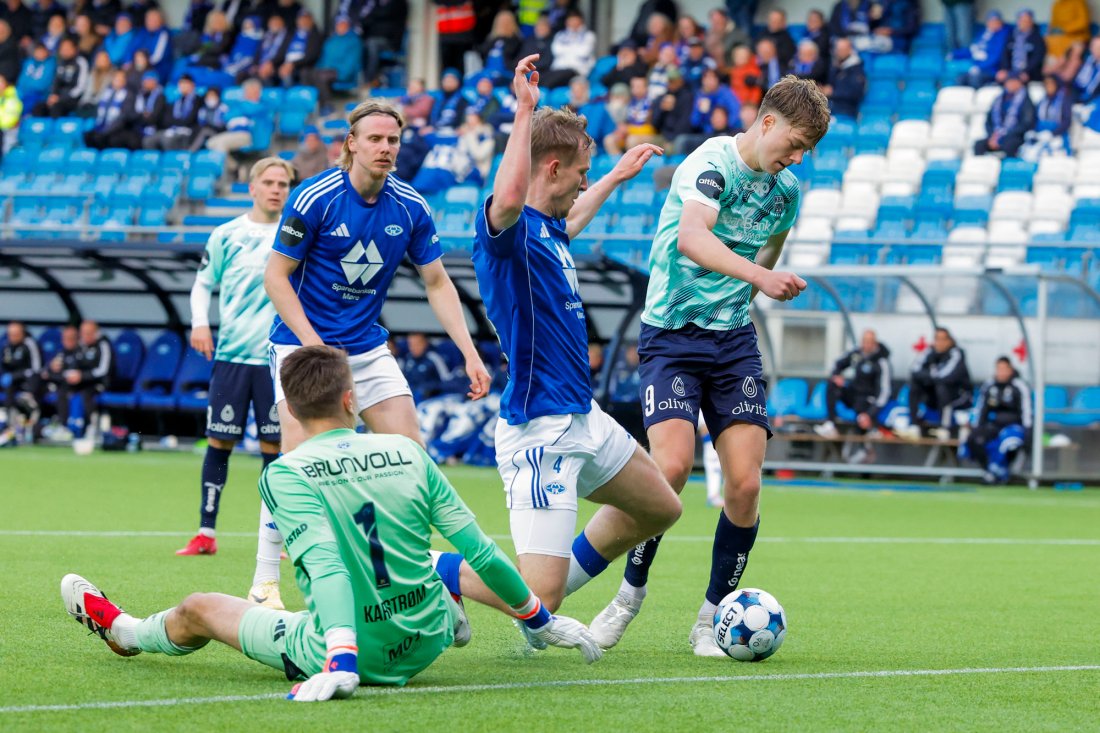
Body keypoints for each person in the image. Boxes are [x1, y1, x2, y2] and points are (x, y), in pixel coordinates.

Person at [61, 345, 600, 705]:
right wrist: (539, 619)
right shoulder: (406, 451)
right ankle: (449, 612)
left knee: (199, 606)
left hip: (354, 652)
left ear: (291, 412)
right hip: (425, 637)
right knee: (431, 556)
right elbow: (480, 551)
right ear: (350, 399)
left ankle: (123, 632)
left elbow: (325, 568)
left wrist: (340, 658)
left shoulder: (286, 472)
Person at [589, 75, 827, 656]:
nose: (798, 158)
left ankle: (712, 617)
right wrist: (761, 276)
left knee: (744, 485)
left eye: (807, 151)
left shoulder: (786, 190)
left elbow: (772, 244)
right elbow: (692, 238)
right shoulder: (711, 163)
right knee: (669, 469)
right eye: (796, 143)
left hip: (733, 342)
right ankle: (628, 595)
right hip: (671, 335)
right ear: (767, 122)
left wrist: (760, 280)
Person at [453, 55, 680, 648]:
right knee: (542, 593)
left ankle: (536, 616)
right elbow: (510, 197)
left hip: (584, 416)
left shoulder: (547, 230)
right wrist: (523, 112)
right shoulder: (505, 233)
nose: (584, 181)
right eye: (581, 171)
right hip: (541, 428)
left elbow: (570, 218)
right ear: (551, 167)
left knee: (660, 507)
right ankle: (434, 572)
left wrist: (613, 178)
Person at [264, 99, 492, 515]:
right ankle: (270, 561)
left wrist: (470, 352)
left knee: (412, 460)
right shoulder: (314, 197)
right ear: (351, 143)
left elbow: (438, 283)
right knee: (298, 463)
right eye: (374, 139)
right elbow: (275, 277)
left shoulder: (411, 206)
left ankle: (407, 551)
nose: (385, 147)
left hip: (366, 349)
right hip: (301, 345)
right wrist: (315, 346)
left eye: (393, 140)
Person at [175, 159, 293, 611]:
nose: (276, 189)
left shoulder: (295, 233)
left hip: (276, 357)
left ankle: (280, 537)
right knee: (219, 442)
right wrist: (199, 323)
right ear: (252, 188)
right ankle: (206, 532)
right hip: (232, 357)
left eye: (283, 183)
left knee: (274, 451)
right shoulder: (226, 234)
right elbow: (202, 283)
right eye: (269, 182)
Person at [961, 356, 1031, 485]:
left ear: (1010, 370)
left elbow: (1026, 412)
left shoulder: (1019, 386)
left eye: (1004, 369)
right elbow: (981, 410)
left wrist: (1027, 431)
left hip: (1014, 426)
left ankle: (1001, 470)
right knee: (974, 439)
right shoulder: (989, 385)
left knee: (1009, 441)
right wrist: (977, 428)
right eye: (999, 369)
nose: (1001, 372)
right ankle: (990, 470)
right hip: (994, 425)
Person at [814, 329, 892, 439]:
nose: (866, 345)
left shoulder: (881, 362)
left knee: (862, 417)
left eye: (870, 342)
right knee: (832, 384)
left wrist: (870, 413)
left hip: (868, 400)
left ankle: (871, 430)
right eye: (864, 341)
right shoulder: (856, 354)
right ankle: (830, 425)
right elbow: (837, 364)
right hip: (853, 395)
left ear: (875, 343)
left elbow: (884, 392)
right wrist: (837, 375)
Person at [899, 326, 972, 440]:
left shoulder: (956, 353)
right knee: (915, 385)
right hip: (935, 397)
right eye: (937, 339)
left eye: (943, 339)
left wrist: (929, 376)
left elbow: (947, 376)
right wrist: (931, 376)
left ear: (950, 341)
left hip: (958, 397)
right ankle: (914, 424)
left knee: (942, 387)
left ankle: (945, 427)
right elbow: (914, 370)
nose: (939, 342)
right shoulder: (929, 351)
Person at [55, 320, 114, 439]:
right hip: (82, 381)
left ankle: (90, 427)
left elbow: (103, 370)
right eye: (82, 333)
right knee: (62, 389)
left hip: (99, 382)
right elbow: (71, 363)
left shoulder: (103, 345)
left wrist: (82, 376)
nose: (84, 336)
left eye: (88, 333)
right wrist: (67, 373)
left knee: (86, 392)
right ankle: (64, 426)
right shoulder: (80, 346)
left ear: (96, 333)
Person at [974, 73, 1035, 158]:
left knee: (1010, 144)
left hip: (1015, 136)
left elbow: (1026, 123)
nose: (1011, 84)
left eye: (1014, 82)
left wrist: (1006, 134)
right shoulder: (998, 100)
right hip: (997, 134)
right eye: (1009, 82)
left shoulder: (1025, 101)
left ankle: (1010, 165)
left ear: (1020, 84)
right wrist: (993, 136)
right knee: (979, 144)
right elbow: (988, 121)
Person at [0, 321, 41, 446]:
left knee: (28, 402)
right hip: (12, 383)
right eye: (10, 334)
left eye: (16, 334)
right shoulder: (6, 345)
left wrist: (14, 376)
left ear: (22, 333)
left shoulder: (30, 344)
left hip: (29, 382)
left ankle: (31, 431)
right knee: (8, 393)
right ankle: (7, 428)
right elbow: (3, 366)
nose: (12, 337)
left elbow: (36, 369)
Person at [33, 36, 88, 117]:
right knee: (39, 108)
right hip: (58, 98)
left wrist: (61, 98)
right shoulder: (60, 62)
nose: (64, 51)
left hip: (73, 99)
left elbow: (80, 87)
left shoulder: (81, 62)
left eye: (67, 48)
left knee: (57, 108)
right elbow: (56, 82)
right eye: (63, 48)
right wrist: (53, 95)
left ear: (75, 49)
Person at [959, 11, 1010, 88]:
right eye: (991, 21)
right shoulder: (983, 33)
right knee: (961, 78)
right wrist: (955, 54)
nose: (993, 24)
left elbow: (996, 57)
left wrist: (980, 67)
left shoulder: (1003, 35)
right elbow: (972, 50)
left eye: (996, 21)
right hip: (976, 66)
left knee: (975, 78)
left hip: (992, 70)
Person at [997, 9, 1045, 84]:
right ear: (1018, 21)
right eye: (1022, 20)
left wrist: (1026, 71)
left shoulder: (1038, 38)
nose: (1024, 23)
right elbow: (1005, 54)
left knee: (1018, 82)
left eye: (1027, 21)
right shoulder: (1011, 36)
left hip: (1029, 73)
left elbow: (1037, 58)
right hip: (1011, 71)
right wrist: (1004, 69)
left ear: (1031, 22)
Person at [822, 37, 865, 119]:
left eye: (842, 49)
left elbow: (856, 93)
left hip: (846, 110)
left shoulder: (857, 69)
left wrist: (833, 93)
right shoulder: (836, 66)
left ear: (850, 49)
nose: (839, 52)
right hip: (831, 108)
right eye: (838, 49)